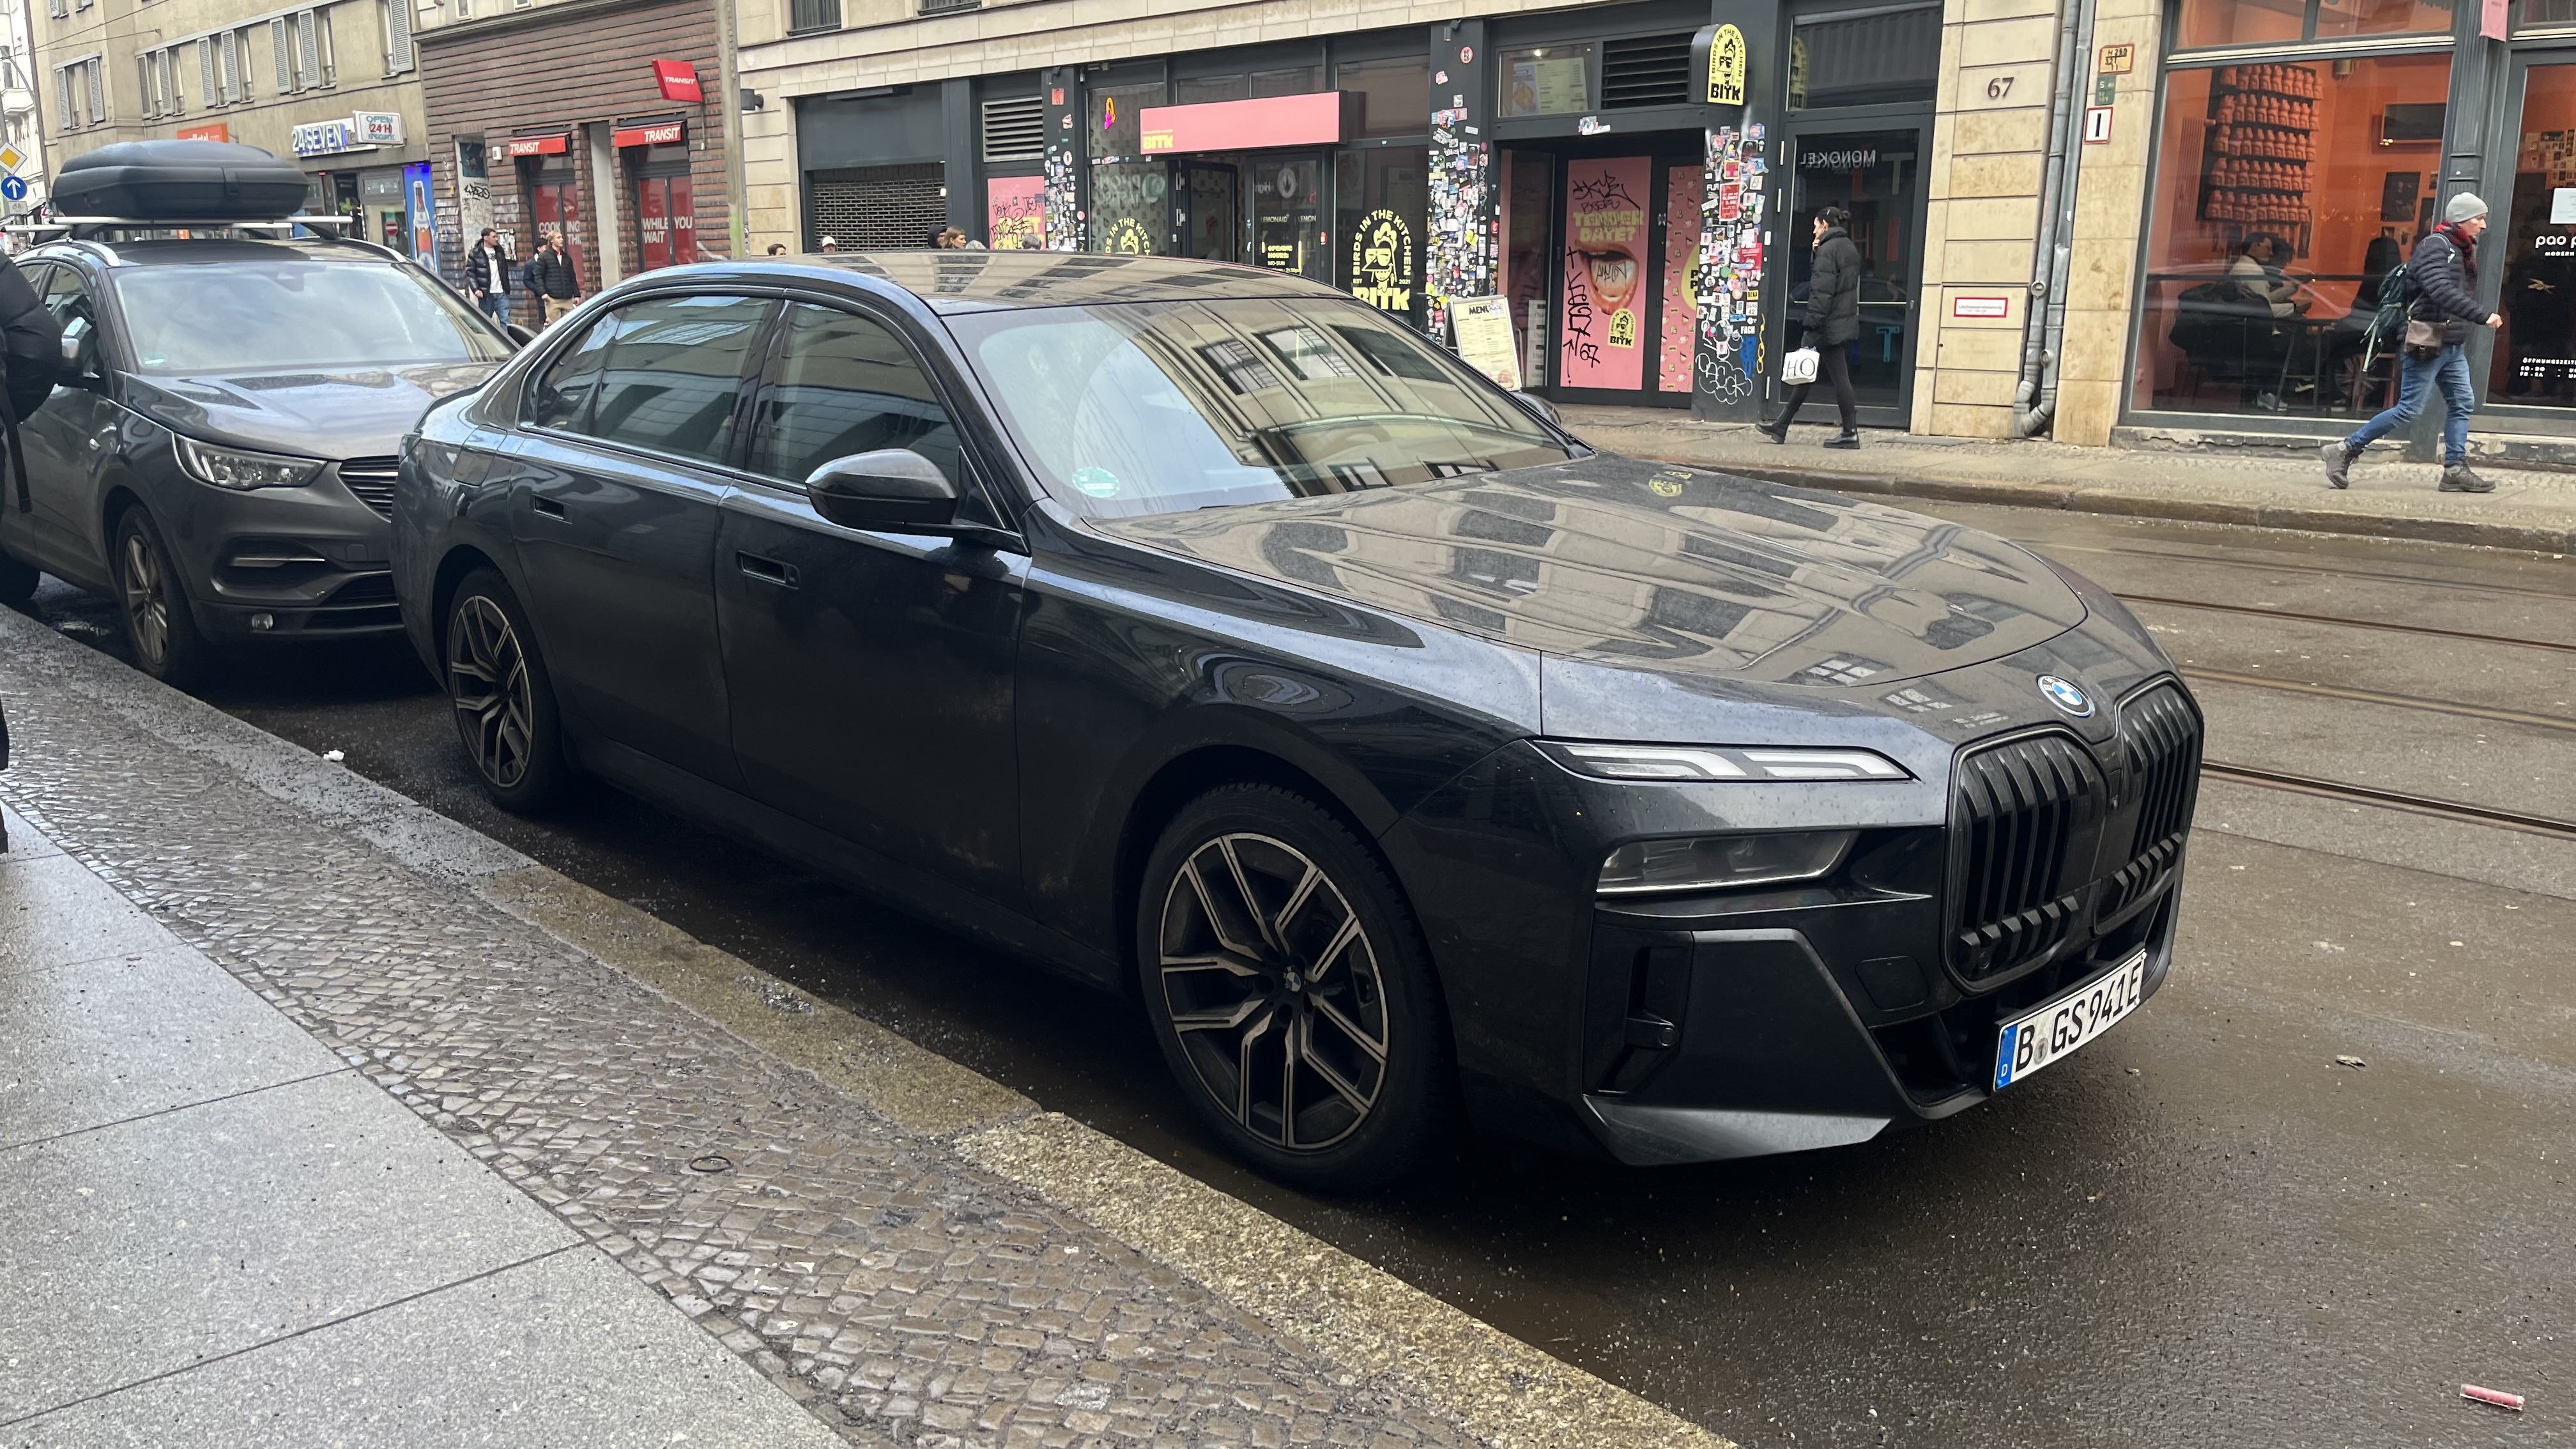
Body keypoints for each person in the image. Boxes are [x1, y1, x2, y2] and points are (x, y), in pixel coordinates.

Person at [2322, 194, 2502, 494]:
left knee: (2462, 403)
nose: (2483, 225)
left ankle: (2455, 470)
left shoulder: (2461, 249)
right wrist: (2482, 316)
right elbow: (2439, 290)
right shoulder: (2436, 246)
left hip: (2451, 343)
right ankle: (2344, 449)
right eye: (2478, 218)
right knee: (2409, 410)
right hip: (2427, 342)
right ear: (2461, 219)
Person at [1758, 206, 1862, 448]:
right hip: (1839, 320)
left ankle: (1850, 433)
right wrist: (1817, 253)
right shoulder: (1848, 247)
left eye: (1815, 226)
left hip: (1825, 323)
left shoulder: (1828, 249)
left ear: (1824, 225)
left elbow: (1822, 291)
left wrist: (1812, 323)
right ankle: (1782, 425)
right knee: (1809, 372)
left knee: (1826, 375)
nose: (1814, 231)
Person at [524, 233, 578, 328]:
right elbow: (538, 276)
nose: (562, 240)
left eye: (562, 237)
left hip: (567, 298)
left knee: (573, 325)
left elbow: (572, 277)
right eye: (558, 238)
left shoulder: (566, 257)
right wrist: (543, 293)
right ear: (552, 240)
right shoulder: (544, 257)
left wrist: (577, 294)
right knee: (553, 327)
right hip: (553, 299)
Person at [463, 229, 512, 327]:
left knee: (506, 322)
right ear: (486, 238)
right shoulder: (476, 253)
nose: (496, 239)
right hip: (486, 295)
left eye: (496, 236)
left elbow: (504, 270)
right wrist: (476, 289)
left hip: (501, 293)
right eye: (494, 237)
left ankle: (508, 338)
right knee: (485, 324)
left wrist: (506, 287)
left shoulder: (499, 251)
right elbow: (470, 272)